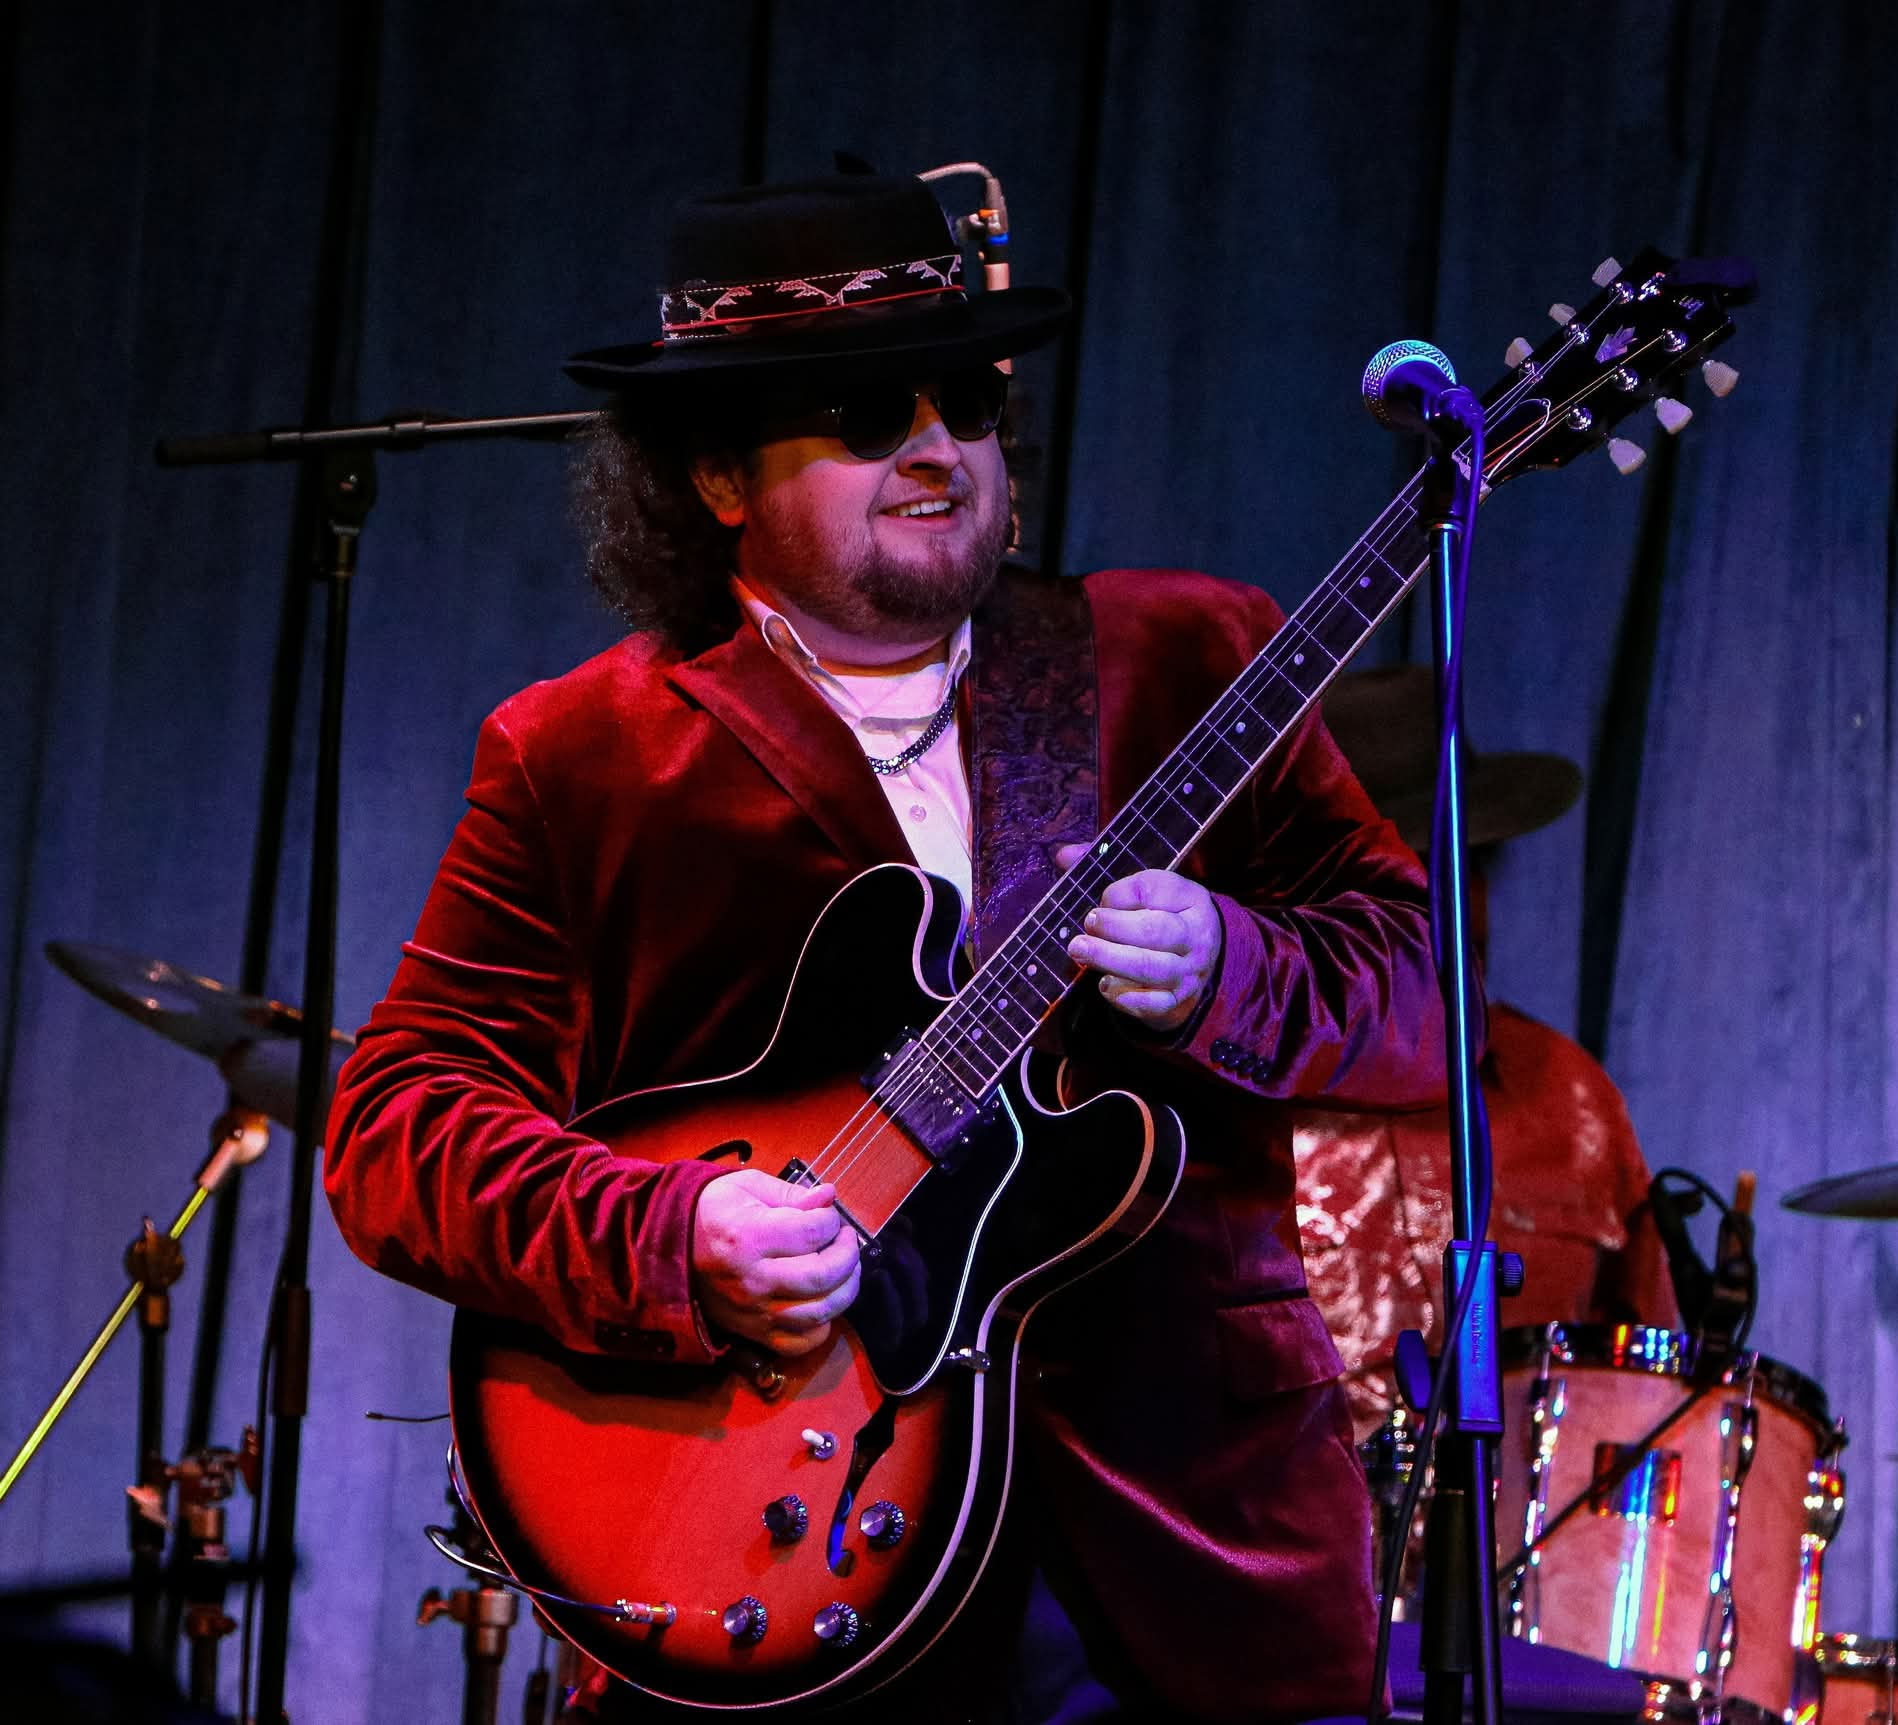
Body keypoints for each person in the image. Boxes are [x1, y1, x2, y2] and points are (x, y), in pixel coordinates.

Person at [323, 172, 1449, 1723]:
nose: (935, 448)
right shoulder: (583, 755)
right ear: (718, 474)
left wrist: (1230, 964)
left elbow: (1419, 993)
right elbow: (399, 1128)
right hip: (764, 1546)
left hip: (1190, 1548)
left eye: (968, 400)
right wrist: (677, 1233)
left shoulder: (1183, 652)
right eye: (863, 414)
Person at [1292, 665, 1675, 1442]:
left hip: (1522, 1558)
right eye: (1398, 877)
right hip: (1291, 1553)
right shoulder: (1231, 1100)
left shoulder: (1574, 1098)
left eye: (1463, 869)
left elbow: (1650, 1397)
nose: (1442, 905)